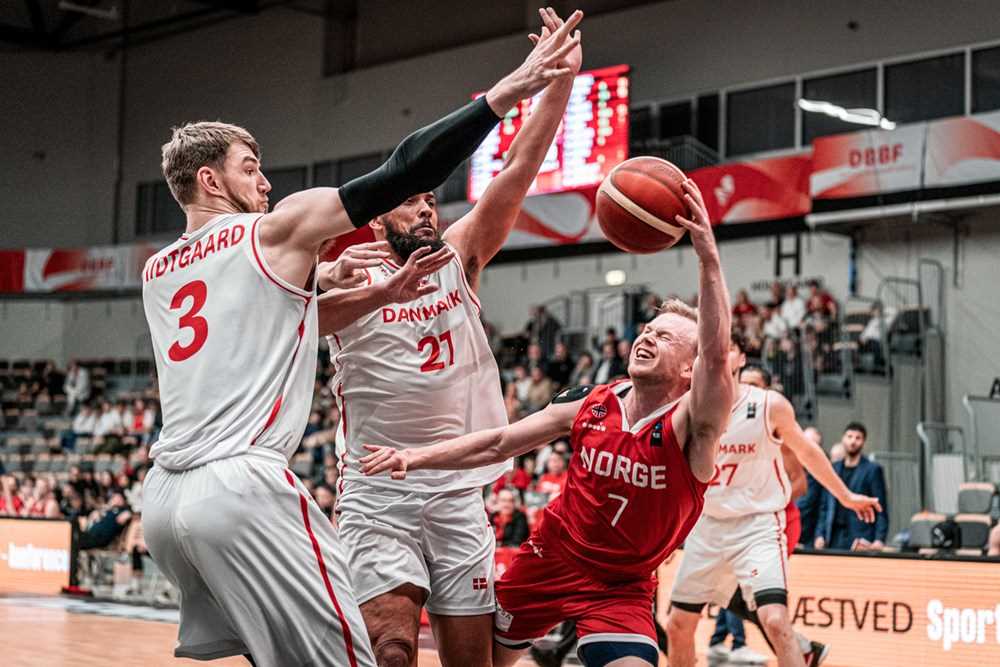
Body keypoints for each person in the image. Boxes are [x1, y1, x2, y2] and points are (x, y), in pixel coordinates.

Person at [139, 17, 578, 664]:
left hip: (167, 497)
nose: (265, 183)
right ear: (211, 181)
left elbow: (263, 317)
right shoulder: (273, 233)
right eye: (252, 169)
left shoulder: (158, 269)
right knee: (361, 656)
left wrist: (337, 284)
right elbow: (405, 166)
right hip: (262, 484)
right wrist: (515, 87)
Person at [361, 177, 733, 667]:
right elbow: (497, 442)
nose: (646, 338)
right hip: (547, 563)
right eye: (647, 329)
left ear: (689, 368)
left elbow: (715, 358)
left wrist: (707, 257)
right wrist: (414, 455)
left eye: (665, 338)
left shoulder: (693, 426)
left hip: (620, 588)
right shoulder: (590, 403)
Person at [313, 10, 584, 666]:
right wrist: (330, 277)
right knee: (393, 647)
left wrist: (559, 85)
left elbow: (517, 169)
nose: (427, 207)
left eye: (432, 199)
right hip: (378, 492)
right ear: (377, 219)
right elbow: (300, 304)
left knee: (473, 661)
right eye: (411, 199)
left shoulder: (459, 257)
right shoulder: (347, 274)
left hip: (458, 484)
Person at [667, 337, 882, 667]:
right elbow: (672, 474)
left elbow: (807, 453)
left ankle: (801, 651)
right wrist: (666, 532)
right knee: (678, 626)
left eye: (727, 349)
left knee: (776, 621)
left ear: (741, 359)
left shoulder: (769, 405)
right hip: (706, 527)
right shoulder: (688, 408)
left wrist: (846, 496)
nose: (717, 355)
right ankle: (807, 650)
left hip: (758, 525)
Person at [814, 423, 889, 552]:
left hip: (860, 536)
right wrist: (819, 534)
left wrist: (879, 539)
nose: (853, 441)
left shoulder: (872, 470)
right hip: (833, 535)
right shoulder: (833, 468)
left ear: (863, 441)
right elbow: (824, 506)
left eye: (857, 438)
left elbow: (880, 507)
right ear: (843, 438)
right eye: (849, 436)